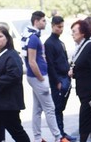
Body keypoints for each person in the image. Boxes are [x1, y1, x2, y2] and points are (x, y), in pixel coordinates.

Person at [21, 11, 68, 142]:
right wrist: (41, 78)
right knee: (50, 108)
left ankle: (37, 137)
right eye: (43, 21)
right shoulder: (33, 38)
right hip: (38, 77)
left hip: (36, 77)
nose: (45, 23)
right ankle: (58, 137)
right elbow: (31, 61)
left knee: (37, 109)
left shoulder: (31, 35)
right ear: (36, 21)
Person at [0, 26, 30, 142]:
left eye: (0, 36)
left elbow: (14, 75)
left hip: (6, 103)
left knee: (16, 131)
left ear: (7, 39)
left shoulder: (12, 55)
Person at [44, 16, 76, 141]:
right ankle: (60, 134)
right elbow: (50, 64)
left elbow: (62, 60)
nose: (60, 29)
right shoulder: (49, 43)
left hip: (65, 77)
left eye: (62, 26)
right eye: (58, 27)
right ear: (52, 26)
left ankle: (62, 133)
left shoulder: (59, 42)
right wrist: (56, 81)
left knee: (60, 108)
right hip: (58, 79)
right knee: (57, 108)